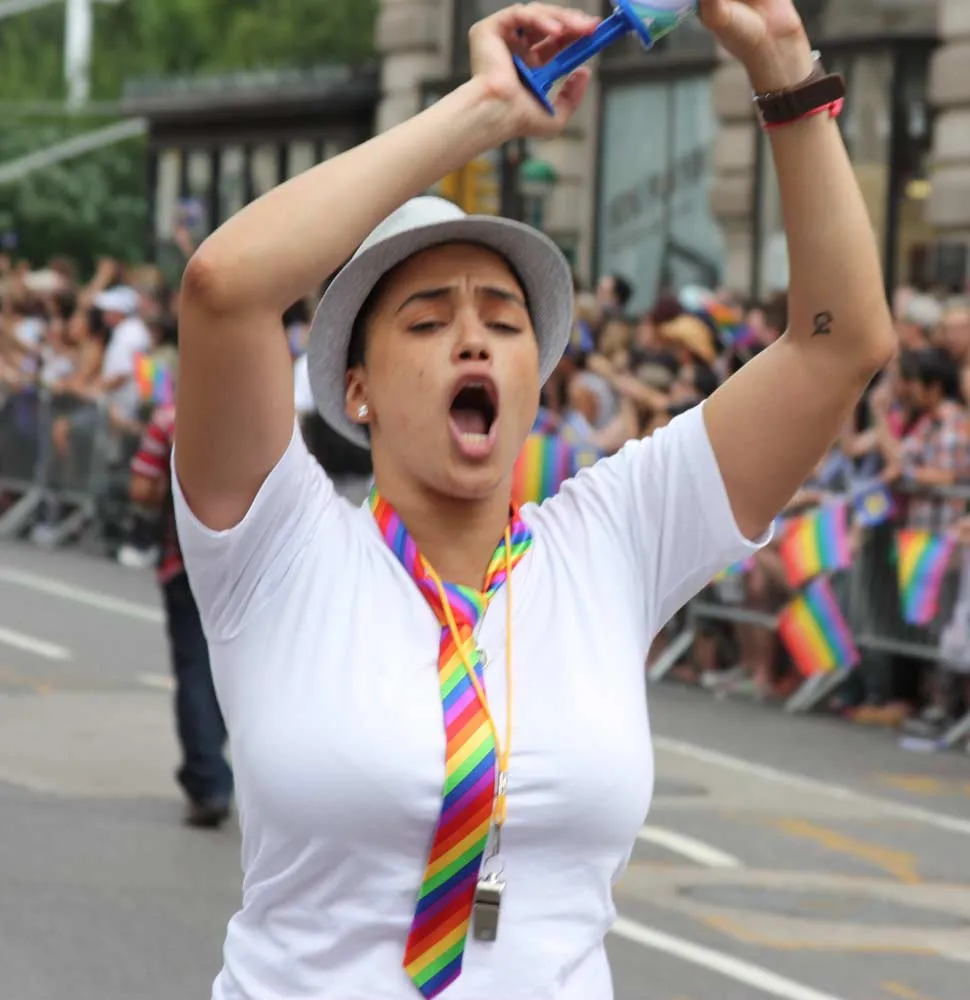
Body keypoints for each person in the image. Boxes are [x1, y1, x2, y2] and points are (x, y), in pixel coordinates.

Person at [172, 3, 895, 998]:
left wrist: (781, 61)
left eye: (504, 322)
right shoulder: (277, 546)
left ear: (534, 376)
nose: (473, 339)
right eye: (427, 321)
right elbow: (225, 286)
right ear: (355, 388)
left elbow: (838, 345)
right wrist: (482, 110)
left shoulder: (614, 539)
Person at [129, 396, 233, 828]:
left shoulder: (170, 418)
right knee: (233, 669)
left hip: (186, 561)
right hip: (249, 569)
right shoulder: (264, 414)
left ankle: (207, 779)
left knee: (194, 669)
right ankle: (209, 765)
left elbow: (141, 487)